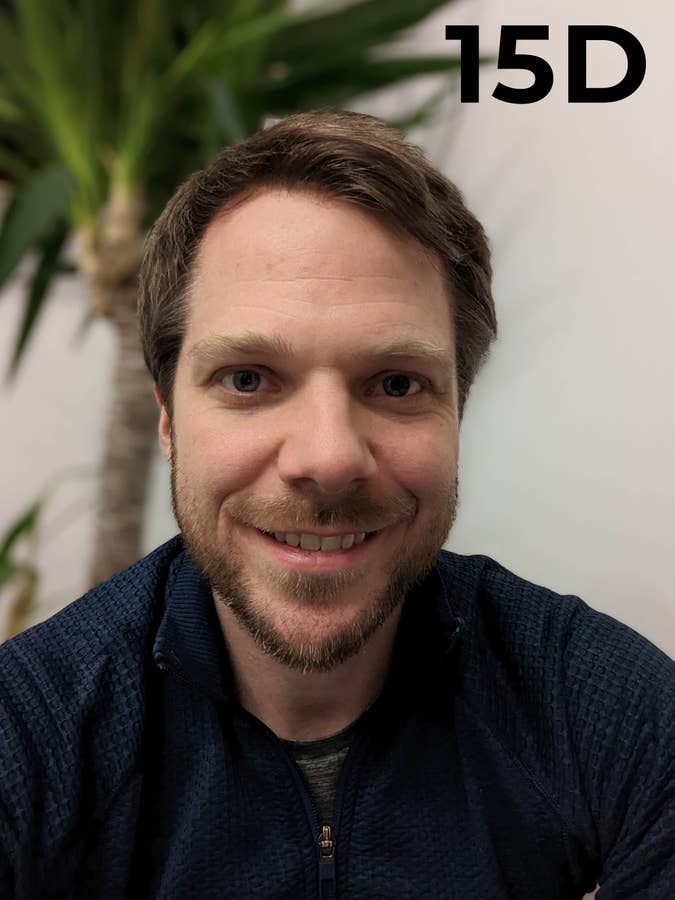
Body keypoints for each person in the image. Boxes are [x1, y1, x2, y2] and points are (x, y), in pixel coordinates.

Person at [0, 109, 673, 900]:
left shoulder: (599, 705)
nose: (327, 459)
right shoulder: (30, 731)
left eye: (396, 384)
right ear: (168, 419)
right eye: (247, 379)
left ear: (457, 412)